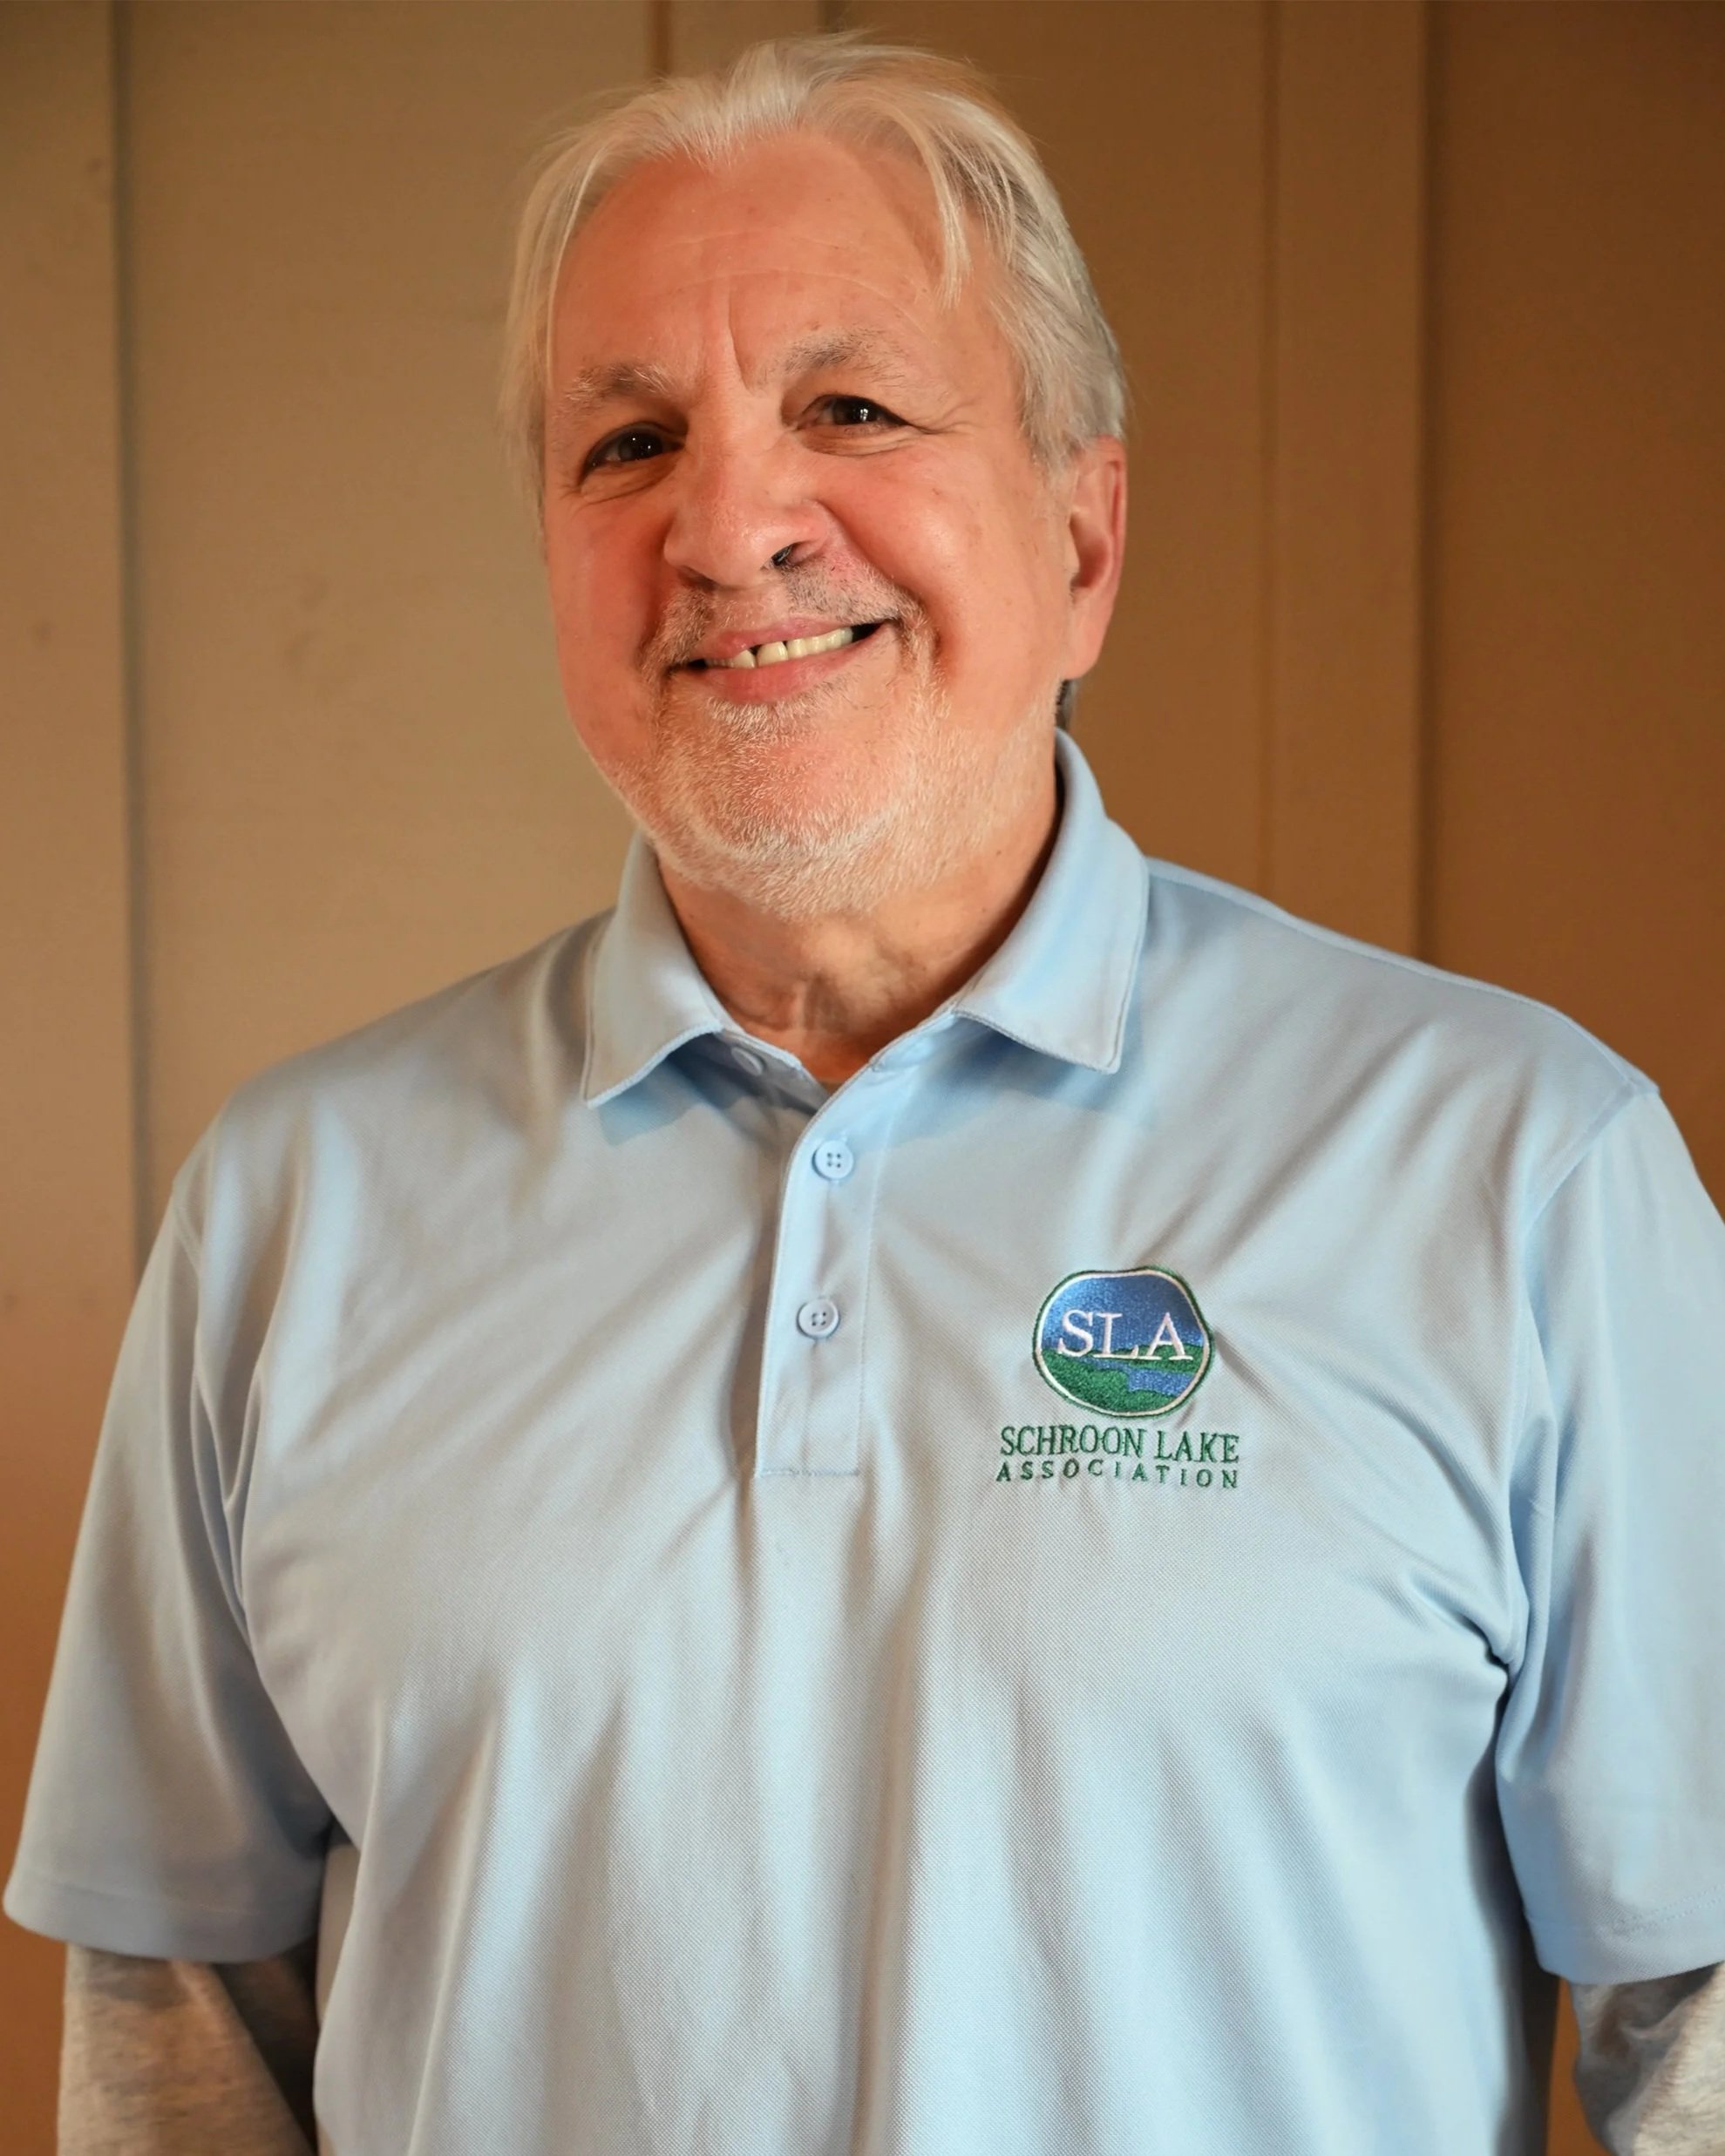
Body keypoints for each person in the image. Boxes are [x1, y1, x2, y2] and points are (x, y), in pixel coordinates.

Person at [8, 34, 1725, 2156]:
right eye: (627, 443)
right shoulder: (292, 1209)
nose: (730, 526)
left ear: (1085, 534)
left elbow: (1702, 2038)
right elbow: (182, 2047)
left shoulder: (1524, 1175)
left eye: (852, 408)